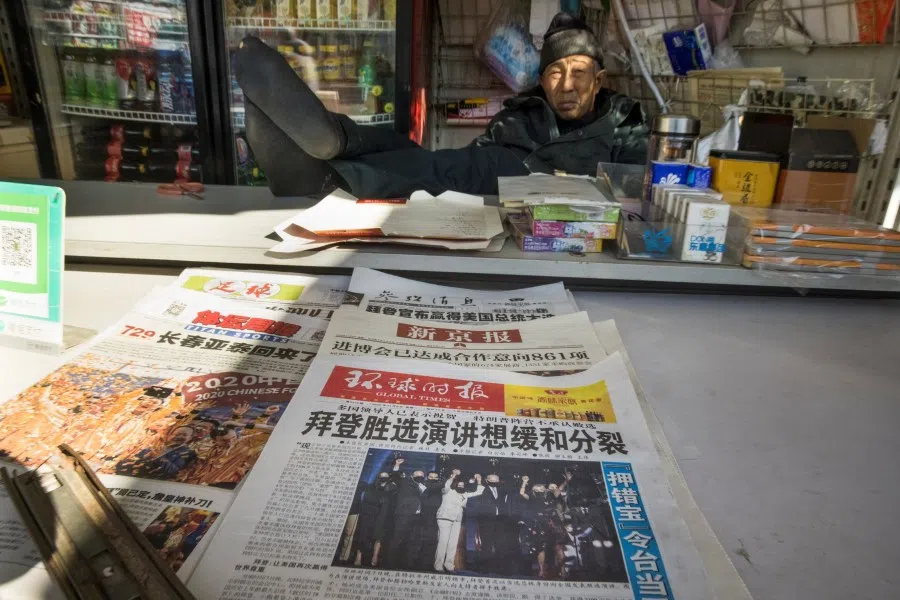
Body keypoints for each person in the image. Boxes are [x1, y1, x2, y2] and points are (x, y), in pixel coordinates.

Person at [235, 12, 648, 199]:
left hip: (539, 193)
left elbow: (631, 198)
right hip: (494, 174)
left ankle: (328, 163)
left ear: (600, 79)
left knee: (434, 172)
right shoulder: (528, 109)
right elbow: (481, 150)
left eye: (579, 72)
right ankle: (335, 141)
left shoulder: (626, 124)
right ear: (542, 81)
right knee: (422, 160)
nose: (567, 84)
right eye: (555, 72)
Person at [434, 470, 484, 573]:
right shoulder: (447, 491)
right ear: (455, 484)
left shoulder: (464, 494)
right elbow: (447, 483)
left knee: (453, 543)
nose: (461, 486)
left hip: (457, 520)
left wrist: (479, 480)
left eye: (462, 485)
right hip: (444, 518)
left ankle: (449, 564)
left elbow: (479, 492)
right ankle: (438, 565)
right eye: (459, 484)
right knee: (443, 542)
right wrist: (454, 475)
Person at [471, 473, 513, 574]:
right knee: (487, 545)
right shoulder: (482, 489)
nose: (494, 484)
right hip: (486, 521)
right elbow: (473, 489)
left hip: (500, 521)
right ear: (487, 480)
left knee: (500, 545)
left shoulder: (502, 490)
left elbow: (511, 488)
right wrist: (478, 480)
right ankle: (485, 569)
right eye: (492, 482)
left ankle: (500, 569)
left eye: (496, 482)